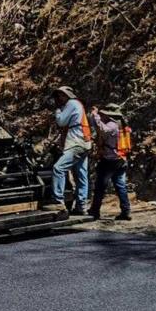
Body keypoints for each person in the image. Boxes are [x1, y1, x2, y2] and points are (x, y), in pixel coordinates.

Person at [51, 86, 92, 215]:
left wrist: (58, 111)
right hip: (84, 143)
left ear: (66, 95)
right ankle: (81, 207)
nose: (58, 99)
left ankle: (58, 202)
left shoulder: (71, 103)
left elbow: (61, 121)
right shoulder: (77, 104)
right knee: (81, 176)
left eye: (60, 96)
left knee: (58, 168)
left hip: (76, 143)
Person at [88, 104, 132, 221]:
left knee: (100, 186)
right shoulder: (122, 124)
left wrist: (95, 116)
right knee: (120, 186)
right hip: (121, 159)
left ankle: (95, 210)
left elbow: (102, 129)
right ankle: (126, 211)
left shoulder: (112, 125)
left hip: (110, 160)